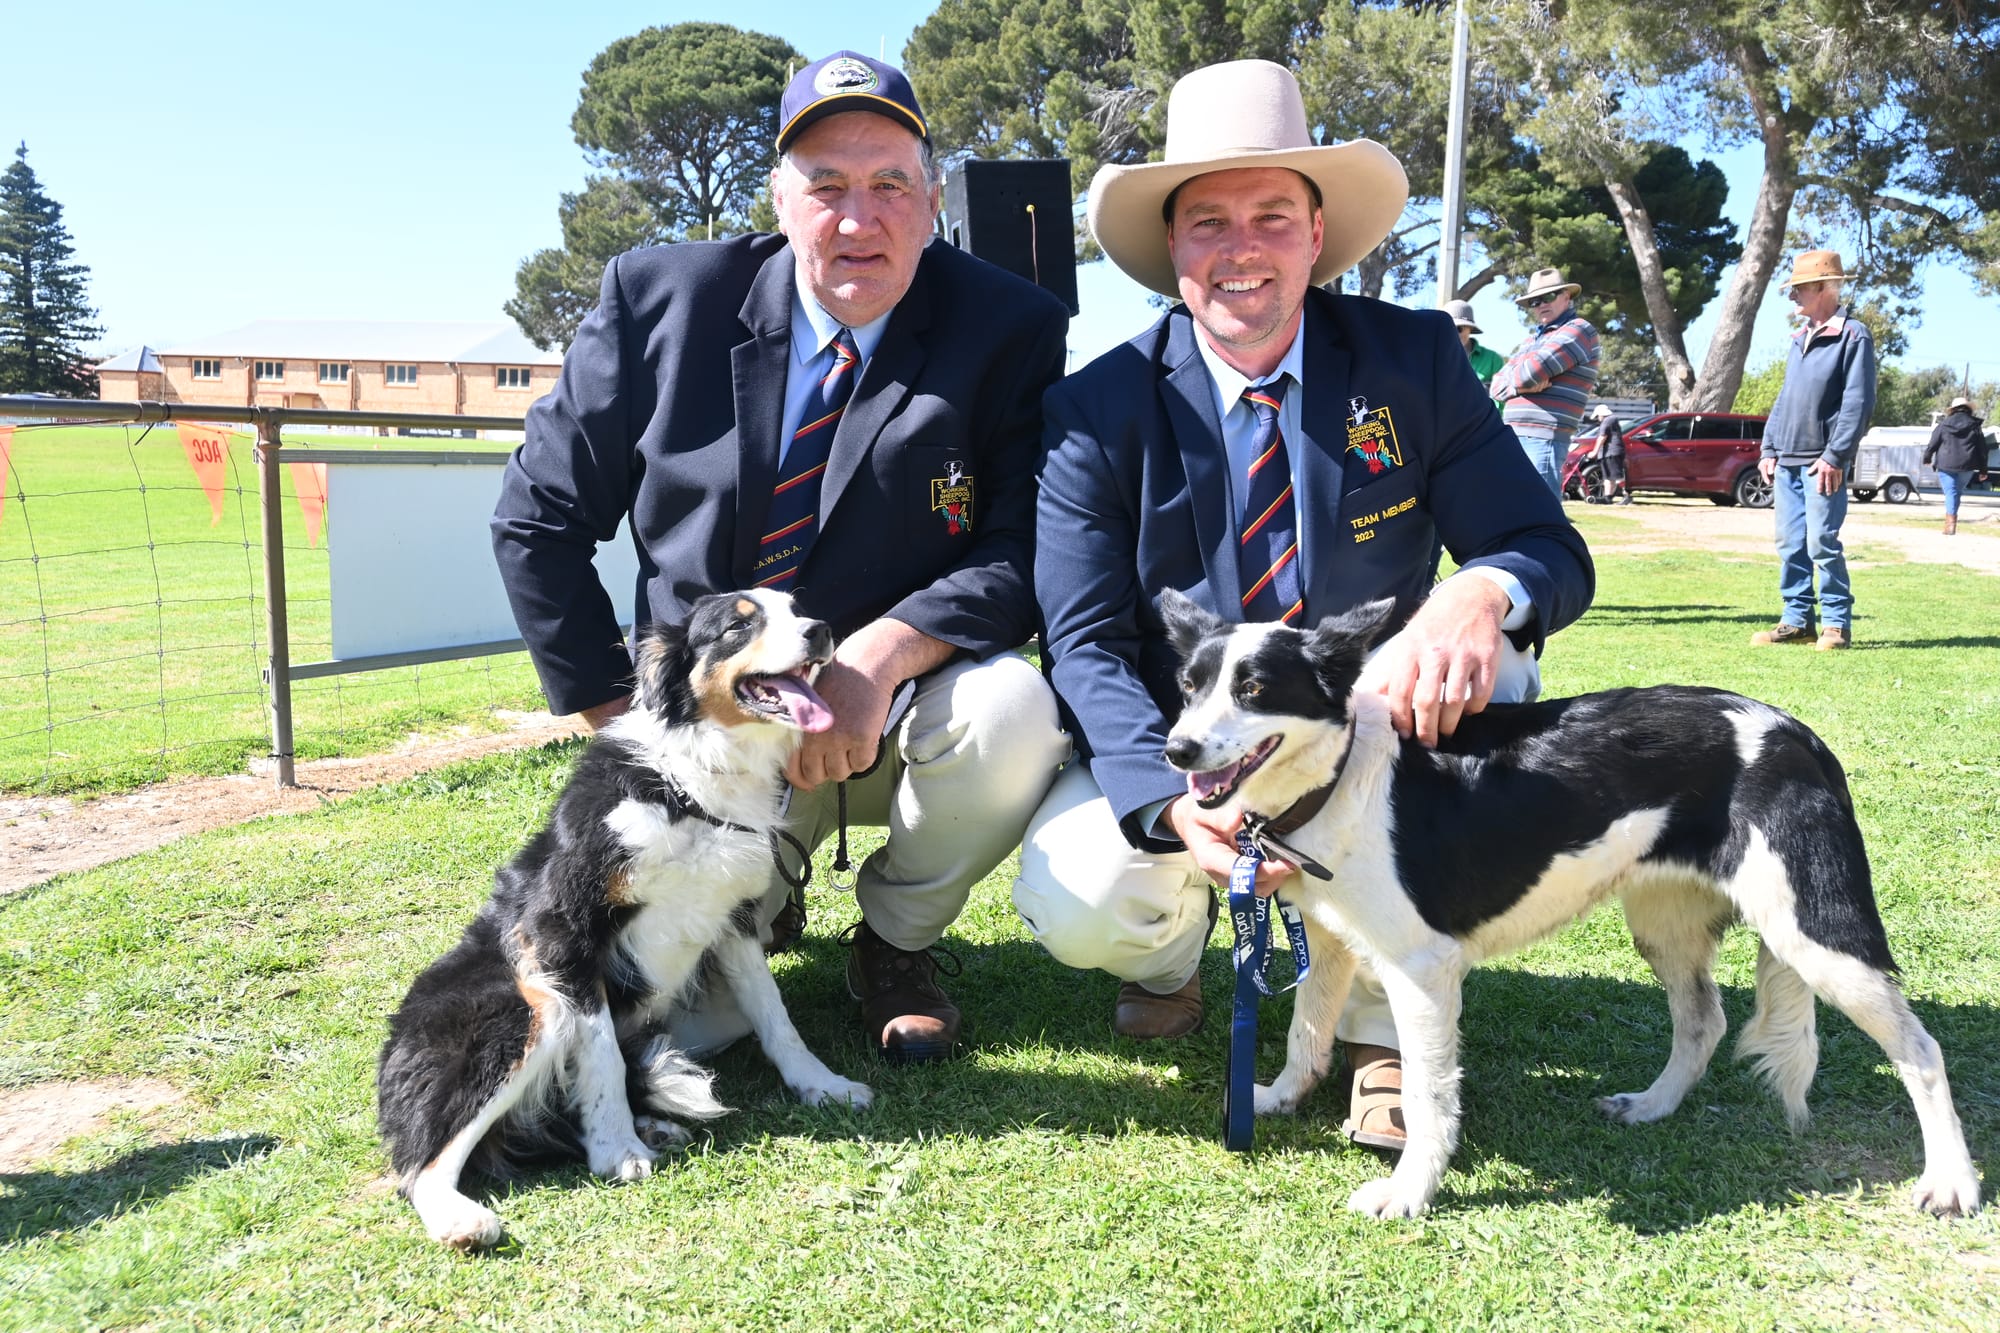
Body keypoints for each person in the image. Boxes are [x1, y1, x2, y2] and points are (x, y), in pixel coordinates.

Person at [1014, 60, 1594, 1152]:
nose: (1241, 247)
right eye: (1208, 222)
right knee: (1086, 891)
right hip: (1195, 737)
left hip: (1361, 726)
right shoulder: (1092, 408)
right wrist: (1170, 803)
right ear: (1171, 251)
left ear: (1316, 235)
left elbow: (1543, 547)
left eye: (1271, 215)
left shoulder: (1413, 359)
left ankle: (1378, 1030)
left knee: (1496, 658)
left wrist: (1477, 591)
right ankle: (1171, 952)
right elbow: (1083, 638)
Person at [490, 51, 1072, 1064]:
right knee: (680, 1027)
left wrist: (878, 657)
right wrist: (631, 733)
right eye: (826, 186)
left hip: (885, 715)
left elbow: (1021, 545)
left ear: (932, 201)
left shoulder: (1006, 327)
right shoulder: (659, 298)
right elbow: (536, 518)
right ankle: (766, 900)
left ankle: (892, 944)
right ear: (779, 197)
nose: (859, 218)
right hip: (711, 734)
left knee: (1011, 711)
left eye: (891, 184)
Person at [1751, 250, 1876, 651]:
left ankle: (1836, 625)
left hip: (1822, 461)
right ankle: (1796, 621)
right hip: (1786, 459)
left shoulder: (1853, 335)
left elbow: (1857, 402)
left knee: (1822, 541)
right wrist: (1769, 446)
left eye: (1799, 288)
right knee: (1789, 542)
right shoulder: (1799, 339)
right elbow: (1785, 398)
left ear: (1825, 287)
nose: (1792, 297)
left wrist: (1835, 455)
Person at [1490, 269, 1601, 494]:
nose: (1541, 304)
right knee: (1515, 515)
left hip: (1543, 439)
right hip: (1513, 437)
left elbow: (1530, 372)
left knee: (1539, 518)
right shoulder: (1532, 340)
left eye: (1548, 297)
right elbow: (1495, 386)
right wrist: (1519, 385)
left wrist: (1516, 382)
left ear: (1566, 296)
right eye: (1535, 301)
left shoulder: (1579, 330)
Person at [1922, 396, 1990, 536]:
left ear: (1952, 410)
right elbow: (1982, 449)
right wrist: (1983, 469)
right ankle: (1951, 522)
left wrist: (1927, 457)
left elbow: (1933, 442)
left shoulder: (1944, 424)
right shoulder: (1975, 426)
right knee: (1956, 492)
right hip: (1967, 466)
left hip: (1946, 464)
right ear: (1969, 410)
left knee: (1951, 492)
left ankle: (1950, 525)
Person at [1445, 299, 1505, 388]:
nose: (1454, 333)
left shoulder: (1493, 360)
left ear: (1470, 328)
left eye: (1459, 328)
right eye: (1449, 328)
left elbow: (1500, 398)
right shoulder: (1431, 358)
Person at [1587, 404, 1630, 504]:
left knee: (1615, 476)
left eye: (1598, 416)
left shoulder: (1607, 421)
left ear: (1602, 414)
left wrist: (1594, 452)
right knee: (1608, 476)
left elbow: (1602, 437)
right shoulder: (1612, 420)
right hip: (1608, 453)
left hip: (1611, 452)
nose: (1598, 418)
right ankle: (1608, 497)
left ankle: (1626, 495)